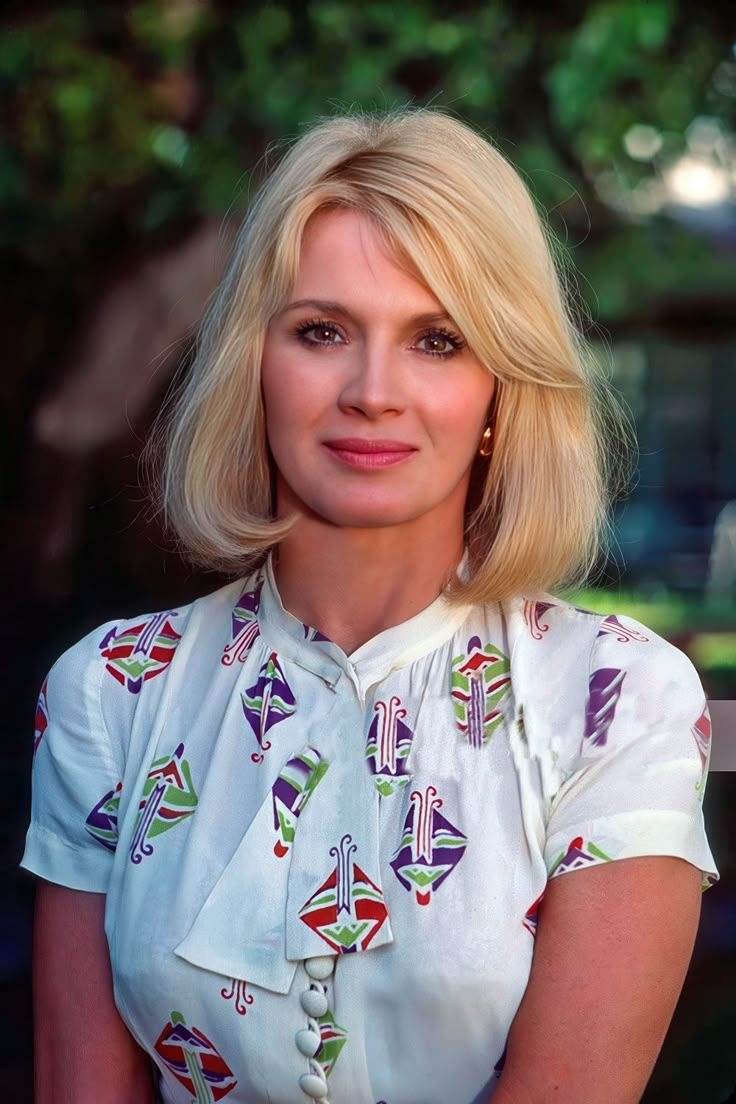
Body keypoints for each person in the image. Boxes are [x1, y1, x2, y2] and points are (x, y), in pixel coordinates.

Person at [22, 107, 719, 1104]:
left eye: (437, 339)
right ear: (254, 365)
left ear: (499, 391)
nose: (373, 391)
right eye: (322, 332)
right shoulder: (111, 692)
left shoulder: (616, 699)